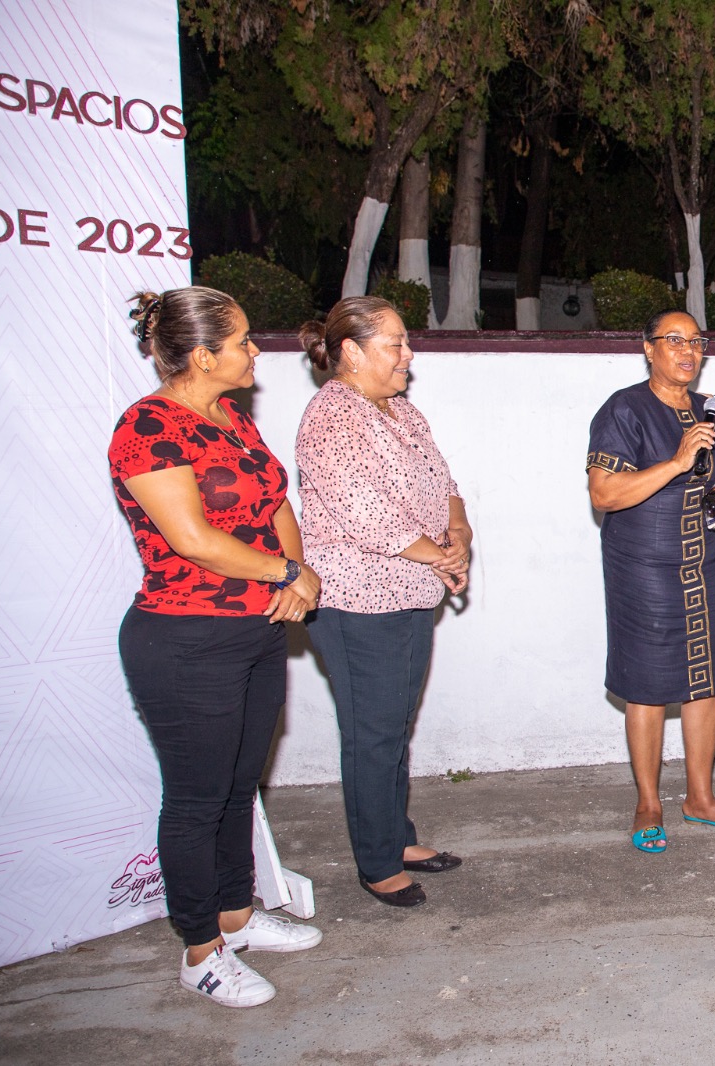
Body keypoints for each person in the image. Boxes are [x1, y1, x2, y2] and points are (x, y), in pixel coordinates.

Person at [111, 287, 324, 1008]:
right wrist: (288, 572)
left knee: (239, 787)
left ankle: (237, 914)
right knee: (198, 799)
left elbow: (274, 502)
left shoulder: (228, 417)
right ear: (203, 356)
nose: (256, 352)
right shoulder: (146, 427)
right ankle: (200, 948)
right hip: (184, 640)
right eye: (242, 343)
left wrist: (296, 577)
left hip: (255, 628)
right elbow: (193, 539)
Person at [296, 298, 473, 907]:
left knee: (395, 725)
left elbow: (444, 483)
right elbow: (366, 516)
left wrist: (461, 536)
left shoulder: (401, 412)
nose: (408, 355)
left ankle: (396, 837)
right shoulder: (331, 417)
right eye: (395, 344)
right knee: (372, 732)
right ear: (351, 352)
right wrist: (439, 555)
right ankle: (377, 862)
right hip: (355, 601)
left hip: (409, 592)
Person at [586, 310, 715, 854]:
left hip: (703, 559)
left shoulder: (710, 412)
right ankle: (649, 802)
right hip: (643, 562)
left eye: (696, 342)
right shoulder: (624, 408)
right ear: (648, 348)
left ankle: (701, 799)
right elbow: (605, 494)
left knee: (705, 679)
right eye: (674, 340)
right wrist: (678, 461)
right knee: (648, 684)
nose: (688, 351)